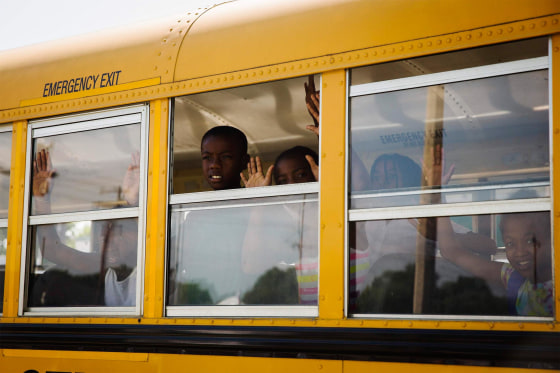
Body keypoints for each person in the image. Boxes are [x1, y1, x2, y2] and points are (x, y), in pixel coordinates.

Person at [30, 149, 139, 307]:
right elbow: (53, 251)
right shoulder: (104, 265)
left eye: (118, 232)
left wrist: (133, 204)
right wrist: (42, 200)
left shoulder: (147, 266)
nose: (108, 240)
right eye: (104, 232)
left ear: (136, 237)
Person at [437, 211, 552, 316]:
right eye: (510, 243)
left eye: (529, 241)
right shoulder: (513, 277)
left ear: (552, 239)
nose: (520, 252)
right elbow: (451, 252)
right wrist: (436, 198)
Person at [200, 126, 249, 190]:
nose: (214, 165)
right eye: (207, 157)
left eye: (225, 157)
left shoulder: (255, 197)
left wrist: (258, 193)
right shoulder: (195, 199)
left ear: (244, 162)